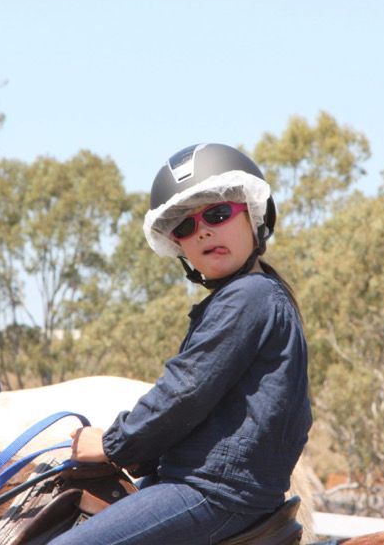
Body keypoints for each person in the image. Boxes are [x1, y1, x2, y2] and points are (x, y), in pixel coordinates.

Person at [51, 143, 312, 544]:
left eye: (218, 213)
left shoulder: (250, 297)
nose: (203, 229)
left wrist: (109, 443)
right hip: (201, 483)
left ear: (254, 219)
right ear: (180, 248)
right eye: (185, 227)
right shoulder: (244, 299)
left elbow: (184, 392)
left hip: (214, 492)